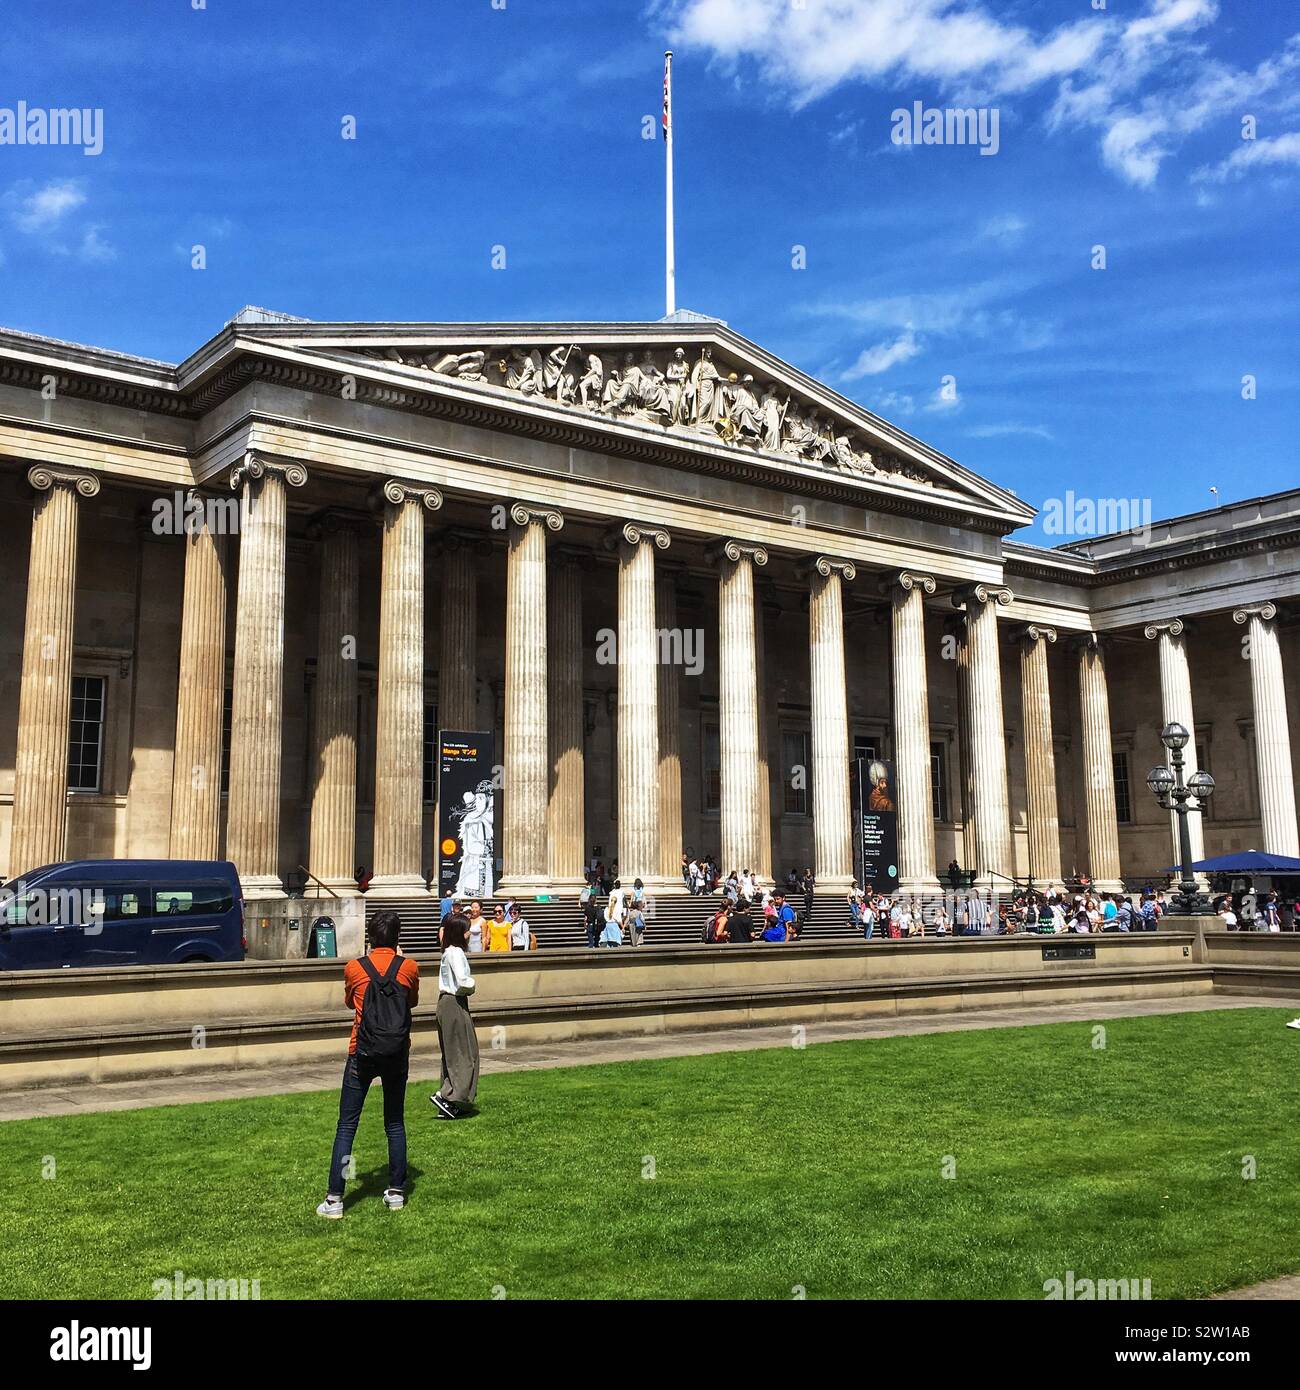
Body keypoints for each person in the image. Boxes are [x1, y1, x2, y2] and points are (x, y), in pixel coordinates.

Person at [318, 910, 418, 1218]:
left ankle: (335, 1198)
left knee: (347, 1125)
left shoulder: (354, 968)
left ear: (370, 937)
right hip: (396, 1053)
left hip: (361, 1051)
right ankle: (397, 1191)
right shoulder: (409, 967)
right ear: (397, 937)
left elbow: (349, 1002)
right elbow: (411, 1001)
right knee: (395, 1123)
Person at [430, 913, 479, 1120]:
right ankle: (449, 1095)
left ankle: (449, 1097)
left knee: (452, 1052)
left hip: (447, 1003)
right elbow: (462, 982)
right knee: (464, 1053)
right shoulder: (456, 952)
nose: (470, 933)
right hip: (454, 1003)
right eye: (467, 929)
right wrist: (473, 984)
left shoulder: (449, 952)